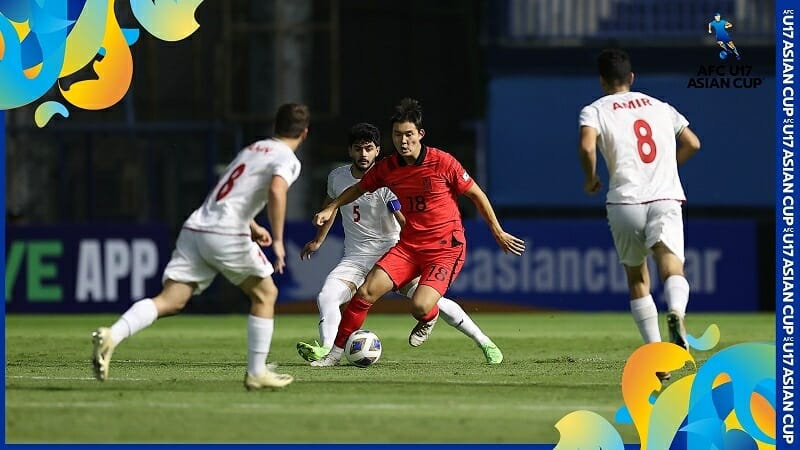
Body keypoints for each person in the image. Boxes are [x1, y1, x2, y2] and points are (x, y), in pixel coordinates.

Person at [91, 103, 310, 390]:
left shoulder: (253, 149)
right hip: (226, 230)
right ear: (304, 134)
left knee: (171, 299)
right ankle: (256, 372)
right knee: (266, 294)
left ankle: (112, 334)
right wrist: (279, 240)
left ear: (274, 127)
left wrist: (253, 225)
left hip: (197, 226)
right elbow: (276, 190)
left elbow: (228, 191)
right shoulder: (288, 158)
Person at [309, 98, 525, 367]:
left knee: (421, 306)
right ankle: (333, 356)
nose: (403, 141)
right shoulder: (388, 168)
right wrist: (332, 207)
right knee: (365, 293)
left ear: (420, 134)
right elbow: (358, 188)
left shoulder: (443, 162)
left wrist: (498, 231)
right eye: (398, 135)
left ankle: (435, 319)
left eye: (409, 134)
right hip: (409, 246)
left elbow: (476, 194)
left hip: (445, 249)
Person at [578, 49, 701, 380]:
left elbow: (588, 146)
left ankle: (656, 355)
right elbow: (693, 143)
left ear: (603, 81)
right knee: (671, 264)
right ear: (631, 78)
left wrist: (590, 179)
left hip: (625, 202)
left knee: (637, 278)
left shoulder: (595, 110)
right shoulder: (660, 106)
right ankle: (676, 313)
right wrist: (666, 170)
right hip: (664, 196)